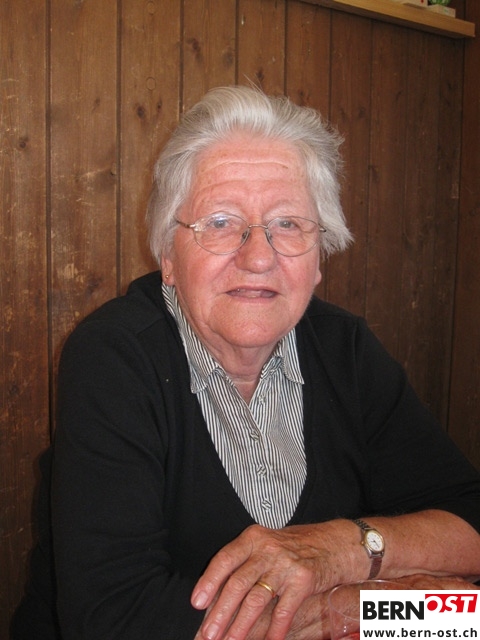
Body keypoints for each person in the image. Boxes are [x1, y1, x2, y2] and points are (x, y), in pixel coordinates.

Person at [12, 85, 480, 640]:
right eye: (219, 222)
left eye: (288, 224)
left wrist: (344, 552)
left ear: (319, 257)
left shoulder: (346, 351)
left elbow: (468, 546)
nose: (258, 257)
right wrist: (344, 612)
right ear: (167, 255)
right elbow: (113, 619)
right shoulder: (114, 356)